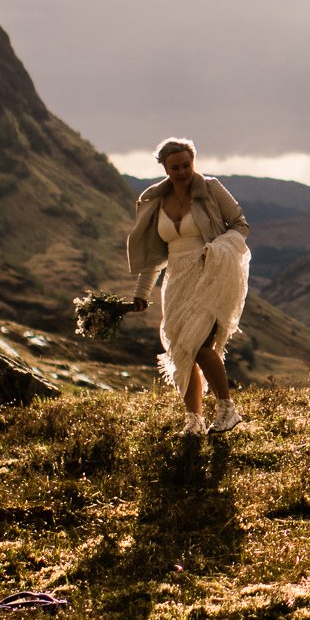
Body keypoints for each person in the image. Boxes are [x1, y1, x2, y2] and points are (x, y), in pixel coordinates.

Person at [125, 137, 251, 436]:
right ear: (165, 168)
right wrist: (142, 293)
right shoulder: (154, 199)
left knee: (200, 346)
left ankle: (227, 409)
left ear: (193, 161)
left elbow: (240, 224)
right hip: (176, 281)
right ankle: (194, 420)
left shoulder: (211, 188)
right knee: (182, 350)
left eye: (186, 165)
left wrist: (220, 248)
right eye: (175, 167)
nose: (182, 172)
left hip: (210, 273)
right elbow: (155, 255)